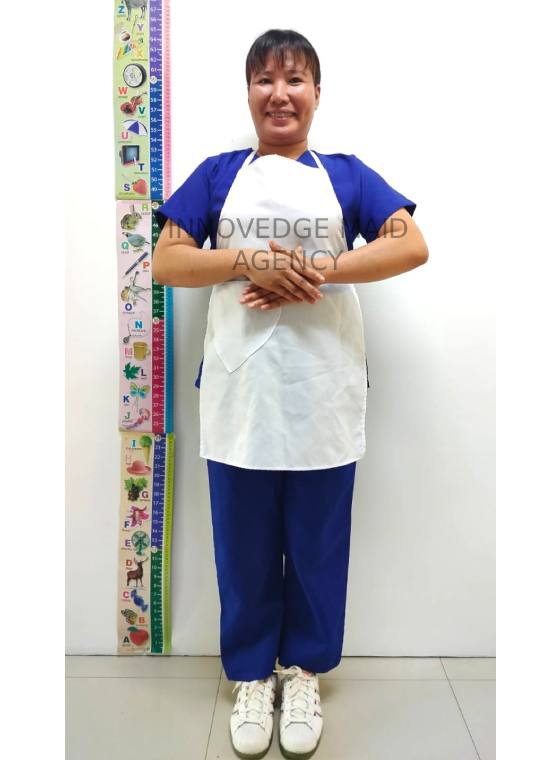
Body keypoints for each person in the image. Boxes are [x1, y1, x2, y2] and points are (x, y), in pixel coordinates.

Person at [153, 28, 428, 760]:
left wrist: (313, 271)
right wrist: (248, 260)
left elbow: (410, 244)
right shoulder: (217, 175)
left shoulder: (347, 176)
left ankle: (301, 672)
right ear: (248, 92)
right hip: (241, 390)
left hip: (322, 389)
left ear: (316, 94)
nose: (280, 94)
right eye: (265, 80)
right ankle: (251, 676)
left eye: (295, 79)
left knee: (317, 543)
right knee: (242, 545)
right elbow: (169, 260)